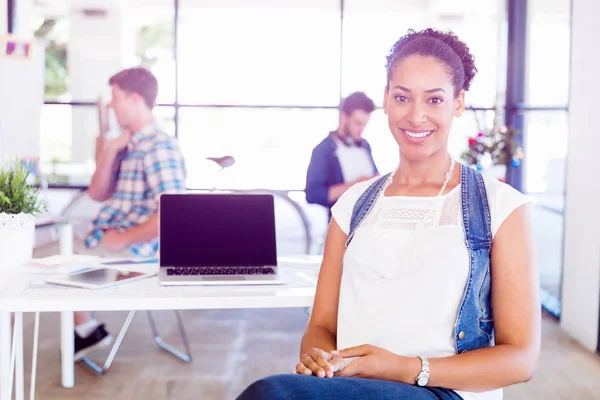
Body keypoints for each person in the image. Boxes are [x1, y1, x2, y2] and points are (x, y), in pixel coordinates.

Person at [238, 28, 540, 400]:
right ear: (386, 99)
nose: (416, 116)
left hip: (443, 393)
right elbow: (320, 326)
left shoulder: (500, 207)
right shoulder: (352, 205)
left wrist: (404, 368)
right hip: (350, 387)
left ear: (458, 103)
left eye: (434, 99)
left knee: (272, 394)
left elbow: (521, 360)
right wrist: (319, 361)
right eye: (402, 97)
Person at [35, 67, 187, 360]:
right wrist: (109, 149)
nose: (110, 104)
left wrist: (124, 238)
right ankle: (85, 329)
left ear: (134, 98)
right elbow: (97, 193)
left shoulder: (159, 148)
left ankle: (85, 329)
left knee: (35, 261)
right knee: (46, 255)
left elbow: (174, 213)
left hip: (131, 249)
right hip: (107, 239)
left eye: (115, 96)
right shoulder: (128, 144)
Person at [305, 92, 378, 213]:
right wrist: (355, 185)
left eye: (365, 124)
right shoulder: (323, 150)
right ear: (344, 117)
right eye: (358, 123)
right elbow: (313, 195)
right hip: (342, 225)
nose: (361, 129)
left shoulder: (365, 145)